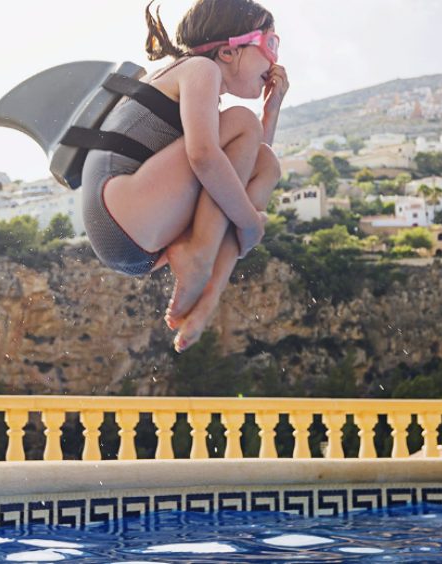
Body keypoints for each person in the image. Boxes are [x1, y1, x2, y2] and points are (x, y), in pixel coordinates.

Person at [81, 0, 289, 352]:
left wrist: (271, 111)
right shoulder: (198, 70)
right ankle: (198, 257)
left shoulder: (200, 82)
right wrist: (250, 224)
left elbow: (250, 163)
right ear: (228, 51)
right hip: (119, 205)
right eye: (270, 44)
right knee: (242, 122)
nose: (274, 60)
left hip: (137, 237)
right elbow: (204, 157)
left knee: (268, 164)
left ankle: (205, 299)